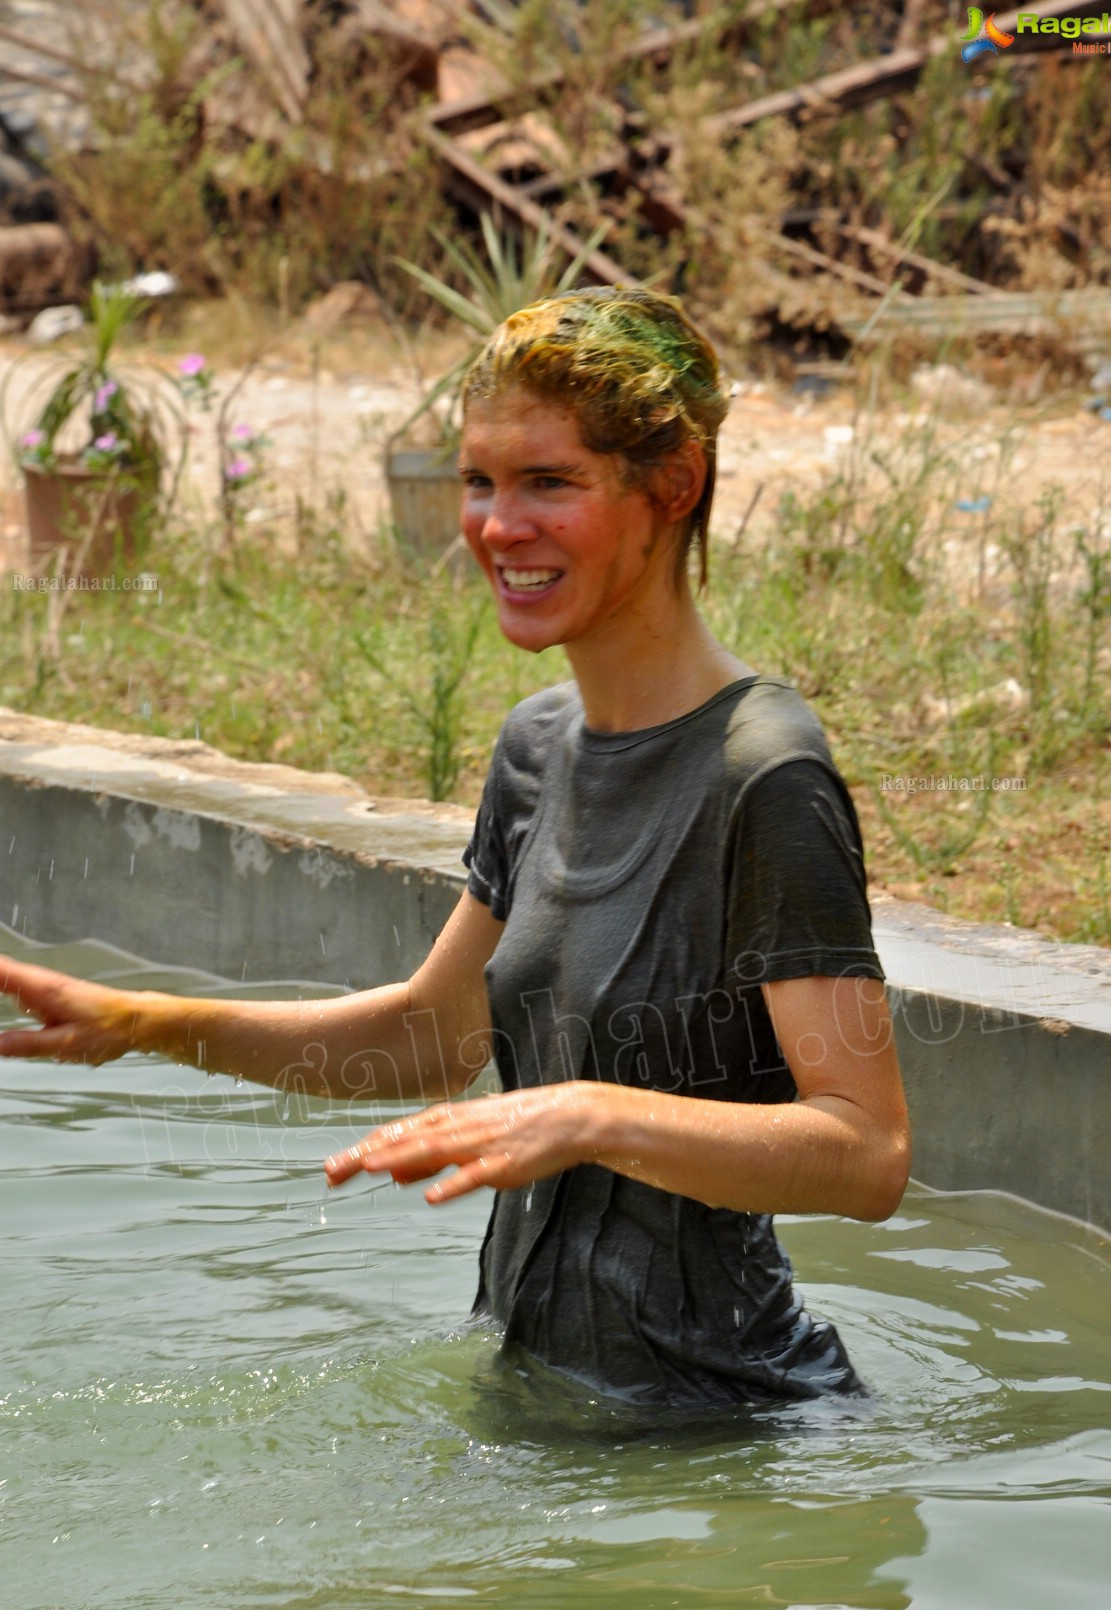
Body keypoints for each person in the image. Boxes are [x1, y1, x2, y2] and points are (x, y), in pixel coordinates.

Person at [0, 288, 909, 1410]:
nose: (495, 526)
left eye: (548, 482)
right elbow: (430, 1039)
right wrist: (149, 1023)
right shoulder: (537, 747)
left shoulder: (765, 774)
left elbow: (866, 1153)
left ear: (671, 484)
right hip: (539, 1391)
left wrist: (588, 1115)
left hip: (728, 1430)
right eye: (479, 481)